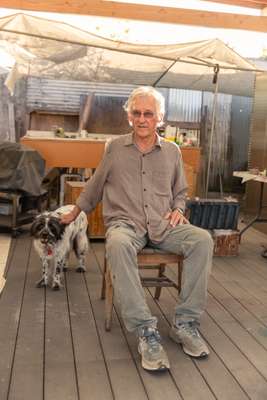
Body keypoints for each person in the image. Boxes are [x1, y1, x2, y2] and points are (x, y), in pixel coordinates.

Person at [61, 86, 214, 372]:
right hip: (126, 224)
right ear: (130, 117)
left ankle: (185, 324)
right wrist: (75, 210)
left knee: (202, 240)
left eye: (148, 114)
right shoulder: (115, 148)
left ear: (160, 118)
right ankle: (145, 330)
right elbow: (95, 185)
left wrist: (179, 209)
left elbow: (180, 190)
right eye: (137, 113)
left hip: (163, 223)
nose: (142, 119)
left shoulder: (172, 151)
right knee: (117, 244)